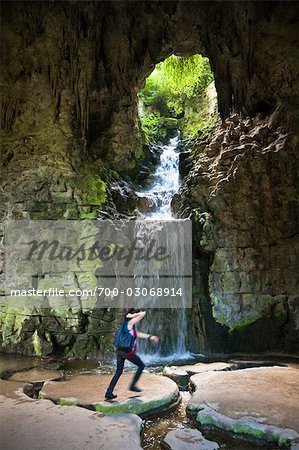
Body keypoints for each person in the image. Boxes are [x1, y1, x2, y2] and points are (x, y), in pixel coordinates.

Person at [105, 308, 159, 400]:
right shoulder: (129, 323)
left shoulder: (128, 326)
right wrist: (131, 315)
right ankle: (132, 386)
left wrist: (150, 337)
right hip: (126, 352)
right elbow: (143, 314)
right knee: (141, 365)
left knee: (118, 372)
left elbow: (137, 334)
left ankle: (109, 393)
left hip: (120, 351)